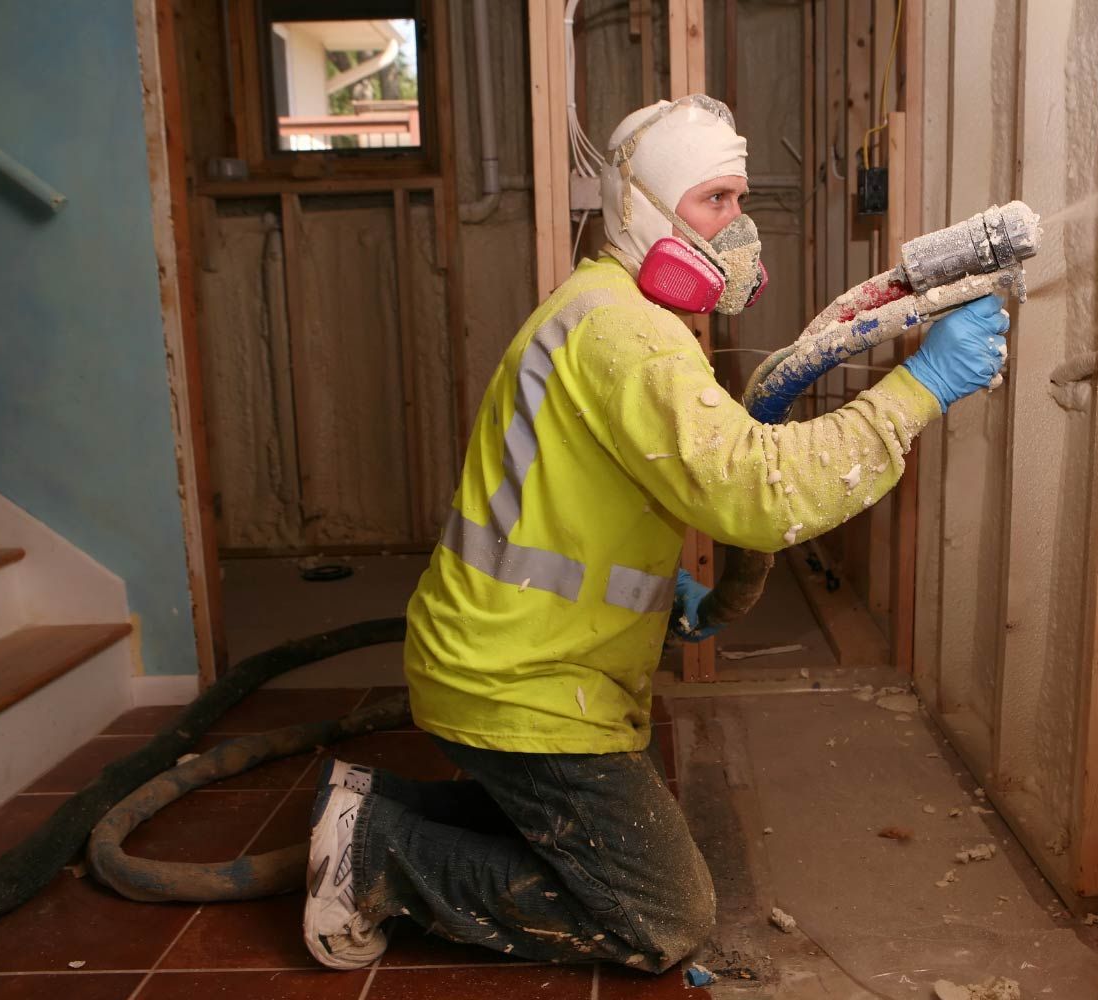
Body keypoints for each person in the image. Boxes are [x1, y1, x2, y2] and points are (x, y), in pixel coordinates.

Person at [301, 95, 1009, 973]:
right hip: (519, 682)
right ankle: (381, 856)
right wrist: (920, 390)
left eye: (741, 200)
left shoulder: (605, 306)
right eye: (716, 201)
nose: (738, 226)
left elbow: (586, 488)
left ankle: (370, 806)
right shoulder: (630, 337)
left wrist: (651, 583)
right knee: (662, 916)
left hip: (505, 650)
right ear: (646, 210)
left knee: (580, 835)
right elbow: (759, 492)